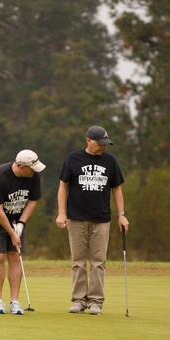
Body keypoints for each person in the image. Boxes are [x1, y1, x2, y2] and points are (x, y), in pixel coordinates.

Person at [56, 126, 129, 315]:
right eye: (100, 144)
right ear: (89, 140)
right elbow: (63, 186)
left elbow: (117, 189)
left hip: (101, 218)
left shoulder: (110, 161)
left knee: (98, 262)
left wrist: (121, 215)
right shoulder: (73, 158)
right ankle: (79, 300)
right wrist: (61, 213)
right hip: (76, 218)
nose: (104, 147)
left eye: (106, 144)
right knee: (78, 261)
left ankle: (96, 301)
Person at [0, 149, 45, 314]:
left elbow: (32, 201)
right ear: (22, 167)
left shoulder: (34, 176)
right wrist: (11, 233)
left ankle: (15, 301)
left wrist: (21, 224)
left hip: (18, 218)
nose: (36, 170)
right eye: (33, 167)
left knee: (15, 256)